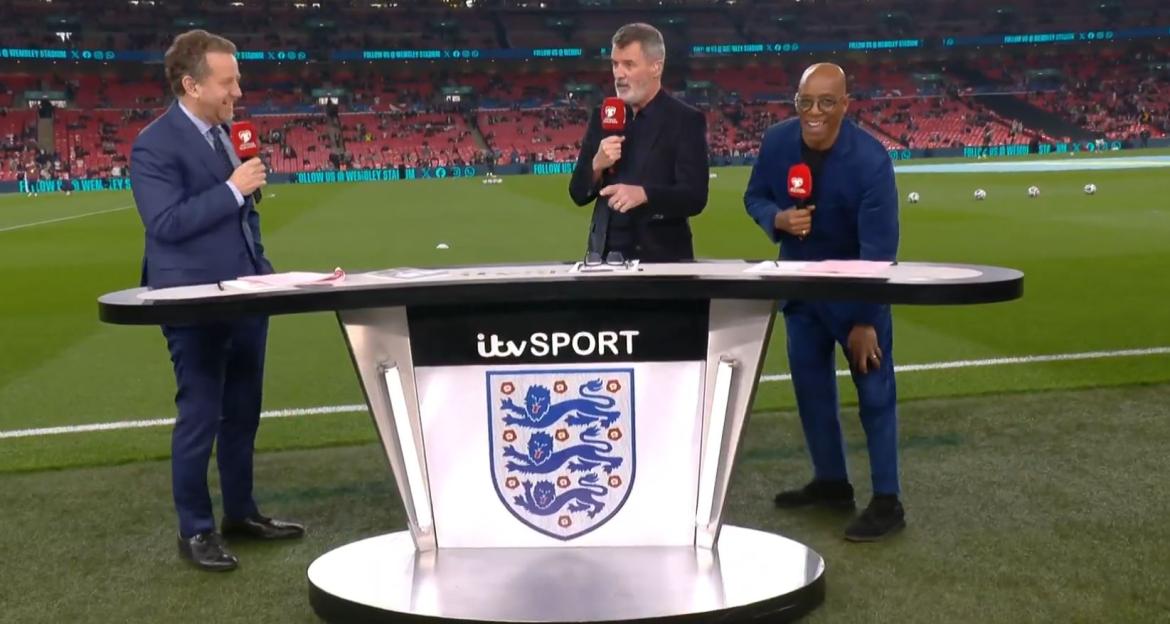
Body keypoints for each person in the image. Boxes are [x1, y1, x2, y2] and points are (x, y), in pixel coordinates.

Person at [129, 29, 303, 572]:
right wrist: (231, 187)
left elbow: (245, 216)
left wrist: (262, 271)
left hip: (245, 294)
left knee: (243, 413)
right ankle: (195, 530)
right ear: (191, 84)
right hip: (192, 300)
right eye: (228, 81)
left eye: (237, 79)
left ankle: (241, 513)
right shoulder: (154, 143)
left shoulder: (230, 134)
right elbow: (165, 223)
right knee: (201, 413)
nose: (238, 90)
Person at [743, 63, 904, 542]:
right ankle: (832, 483)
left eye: (826, 102)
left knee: (875, 396)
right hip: (800, 293)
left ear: (845, 105)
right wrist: (777, 219)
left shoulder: (871, 161)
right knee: (812, 395)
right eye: (805, 101)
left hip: (856, 298)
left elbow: (880, 253)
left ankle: (887, 500)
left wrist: (865, 320)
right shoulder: (776, 142)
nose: (813, 113)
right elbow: (754, 197)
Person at [568, 23, 709, 262]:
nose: (618, 74)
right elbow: (578, 194)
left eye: (629, 64)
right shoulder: (602, 116)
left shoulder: (685, 120)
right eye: (615, 64)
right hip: (603, 258)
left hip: (661, 261)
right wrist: (596, 166)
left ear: (656, 67)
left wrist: (645, 195)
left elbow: (694, 196)